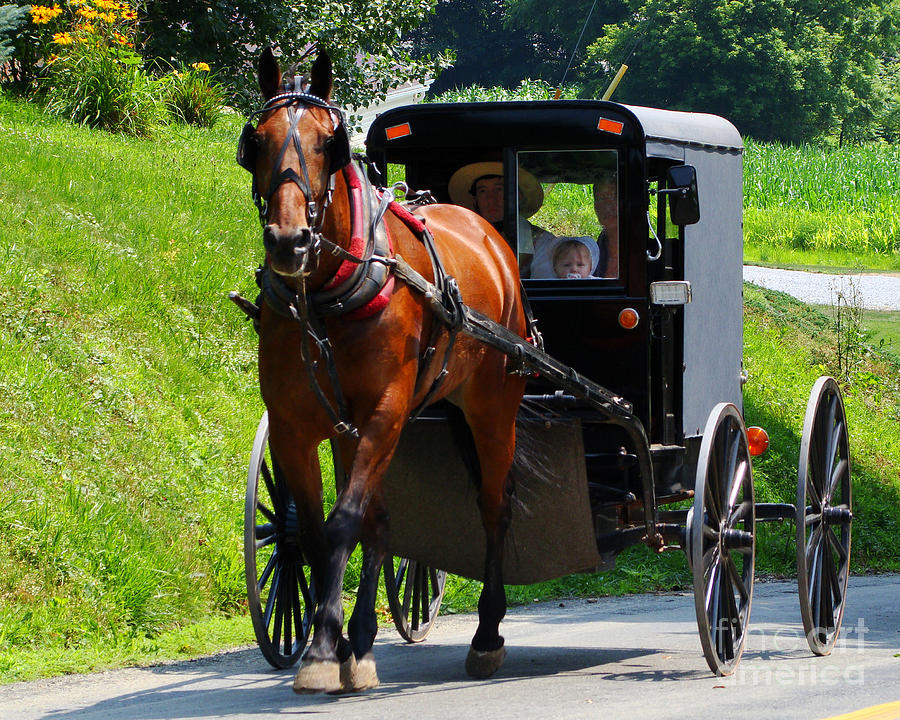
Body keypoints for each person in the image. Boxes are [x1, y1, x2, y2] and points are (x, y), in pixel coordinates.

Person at [447, 161, 553, 277]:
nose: (491, 199)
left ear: (518, 196)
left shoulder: (544, 244)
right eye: (483, 191)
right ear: (475, 200)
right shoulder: (461, 241)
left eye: (499, 189)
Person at [532, 236, 601, 279]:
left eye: (580, 265)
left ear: (590, 267)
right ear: (555, 268)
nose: (574, 269)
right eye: (566, 265)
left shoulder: (593, 282)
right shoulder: (551, 282)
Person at [593, 172, 619, 278]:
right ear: (596, 208)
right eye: (602, 198)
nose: (609, 206)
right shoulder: (590, 255)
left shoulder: (652, 253)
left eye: (615, 197)